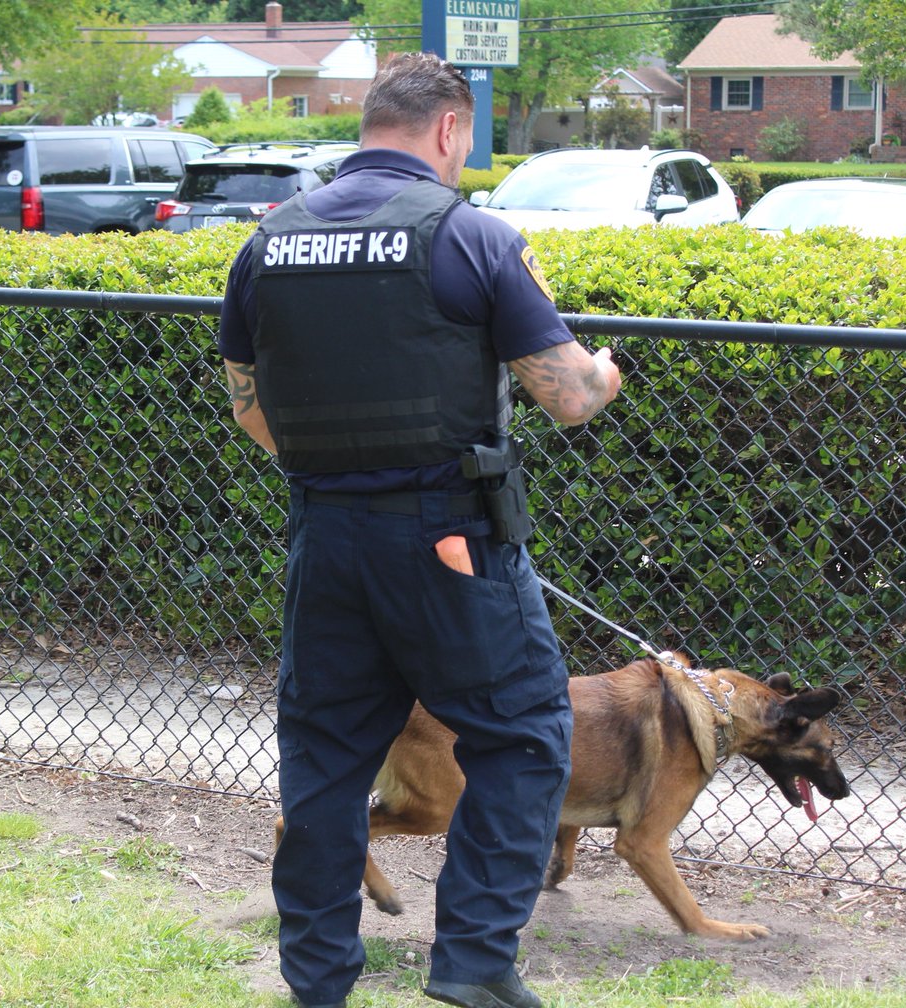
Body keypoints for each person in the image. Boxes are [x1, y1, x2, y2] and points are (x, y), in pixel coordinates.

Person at [216, 52, 621, 1008]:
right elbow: (564, 397)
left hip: (329, 539)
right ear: (448, 129)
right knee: (522, 737)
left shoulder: (268, 242)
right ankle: (475, 965)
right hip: (453, 545)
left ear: (369, 123)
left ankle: (316, 979)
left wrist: (342, 479)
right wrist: (603, 370)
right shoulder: (471, 236)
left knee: (324, 756)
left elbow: (247, 405)